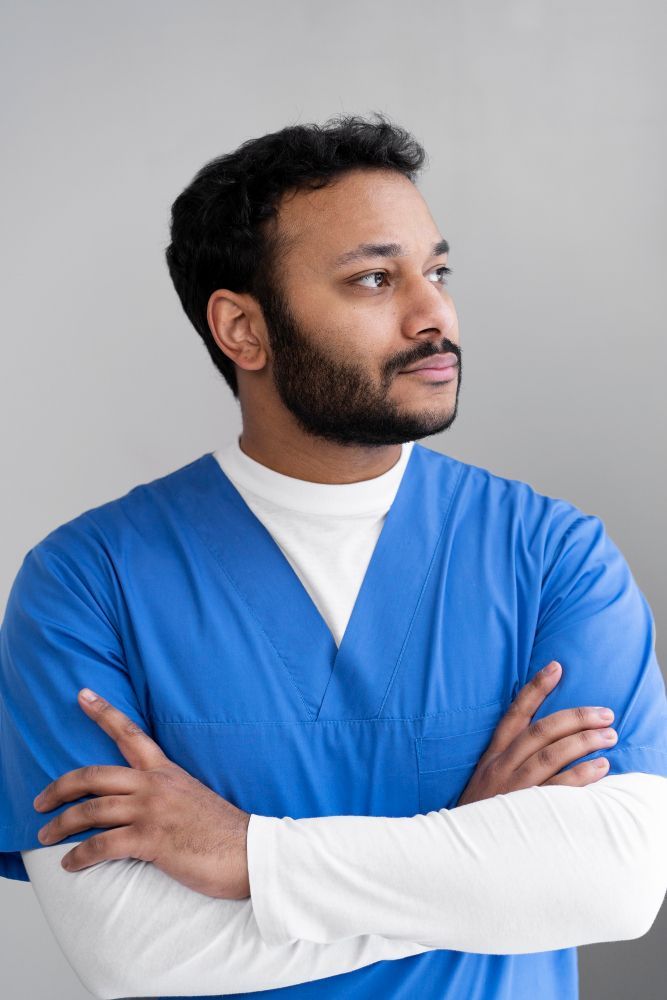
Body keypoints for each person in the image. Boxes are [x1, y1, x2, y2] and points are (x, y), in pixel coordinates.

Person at [1, 113, 666, 1000]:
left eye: (436, 271)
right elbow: (136, 949)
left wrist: (249, 855)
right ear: (243, 330)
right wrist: (471, 847)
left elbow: (613, 883)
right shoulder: (89, 584)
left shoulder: (549, 555)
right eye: (372, 279)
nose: (434, 313)